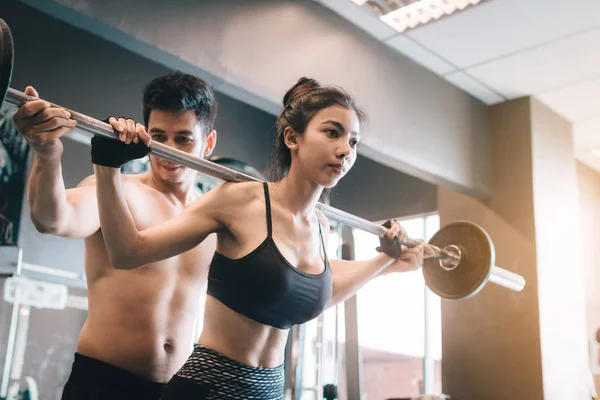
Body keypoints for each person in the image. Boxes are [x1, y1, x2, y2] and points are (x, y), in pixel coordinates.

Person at [92, 77, 434, 399]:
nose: (346, 150)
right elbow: (127, 252)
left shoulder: (317, 226)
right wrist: (107, 166)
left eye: (353, 141)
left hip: (269, 392)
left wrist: (384, 260)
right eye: (333, 133)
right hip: (210, 388)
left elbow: (321, 292)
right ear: (292, 138)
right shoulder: (240, 200)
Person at [12, 72, 219, 400]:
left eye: (183, 139)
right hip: (103, 382)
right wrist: (46, 152)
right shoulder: (117, 191)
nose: (168, 151)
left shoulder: (210, 219)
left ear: (207, 143)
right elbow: (52, 218)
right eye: (159, 136)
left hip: (174, 391)